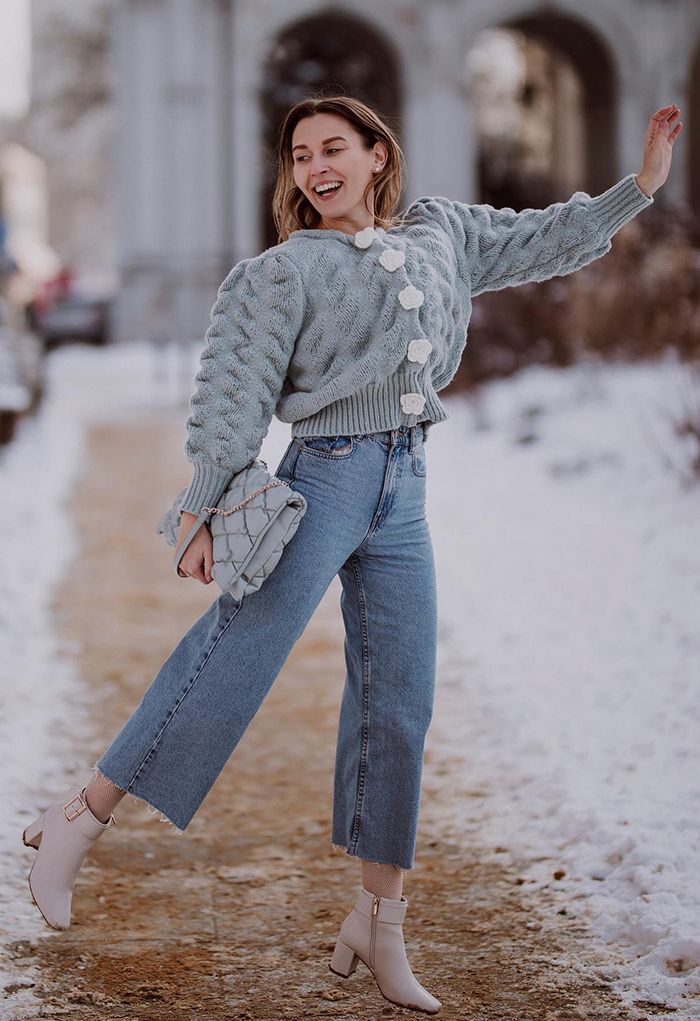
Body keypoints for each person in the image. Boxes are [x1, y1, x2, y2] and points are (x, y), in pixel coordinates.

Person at [21, 95, 681, 1014]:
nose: (315, 166)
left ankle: (378, 922)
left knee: (399, 698)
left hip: (405, 489)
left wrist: (638, 189)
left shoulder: (444, 232)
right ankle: (76, 821)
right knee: (233, 658)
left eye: (335, 147)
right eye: (300, 155)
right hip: (320, 484)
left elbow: (542, 239)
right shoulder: (285, 271)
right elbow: (232, 391)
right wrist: (207, 505)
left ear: (378, 155)